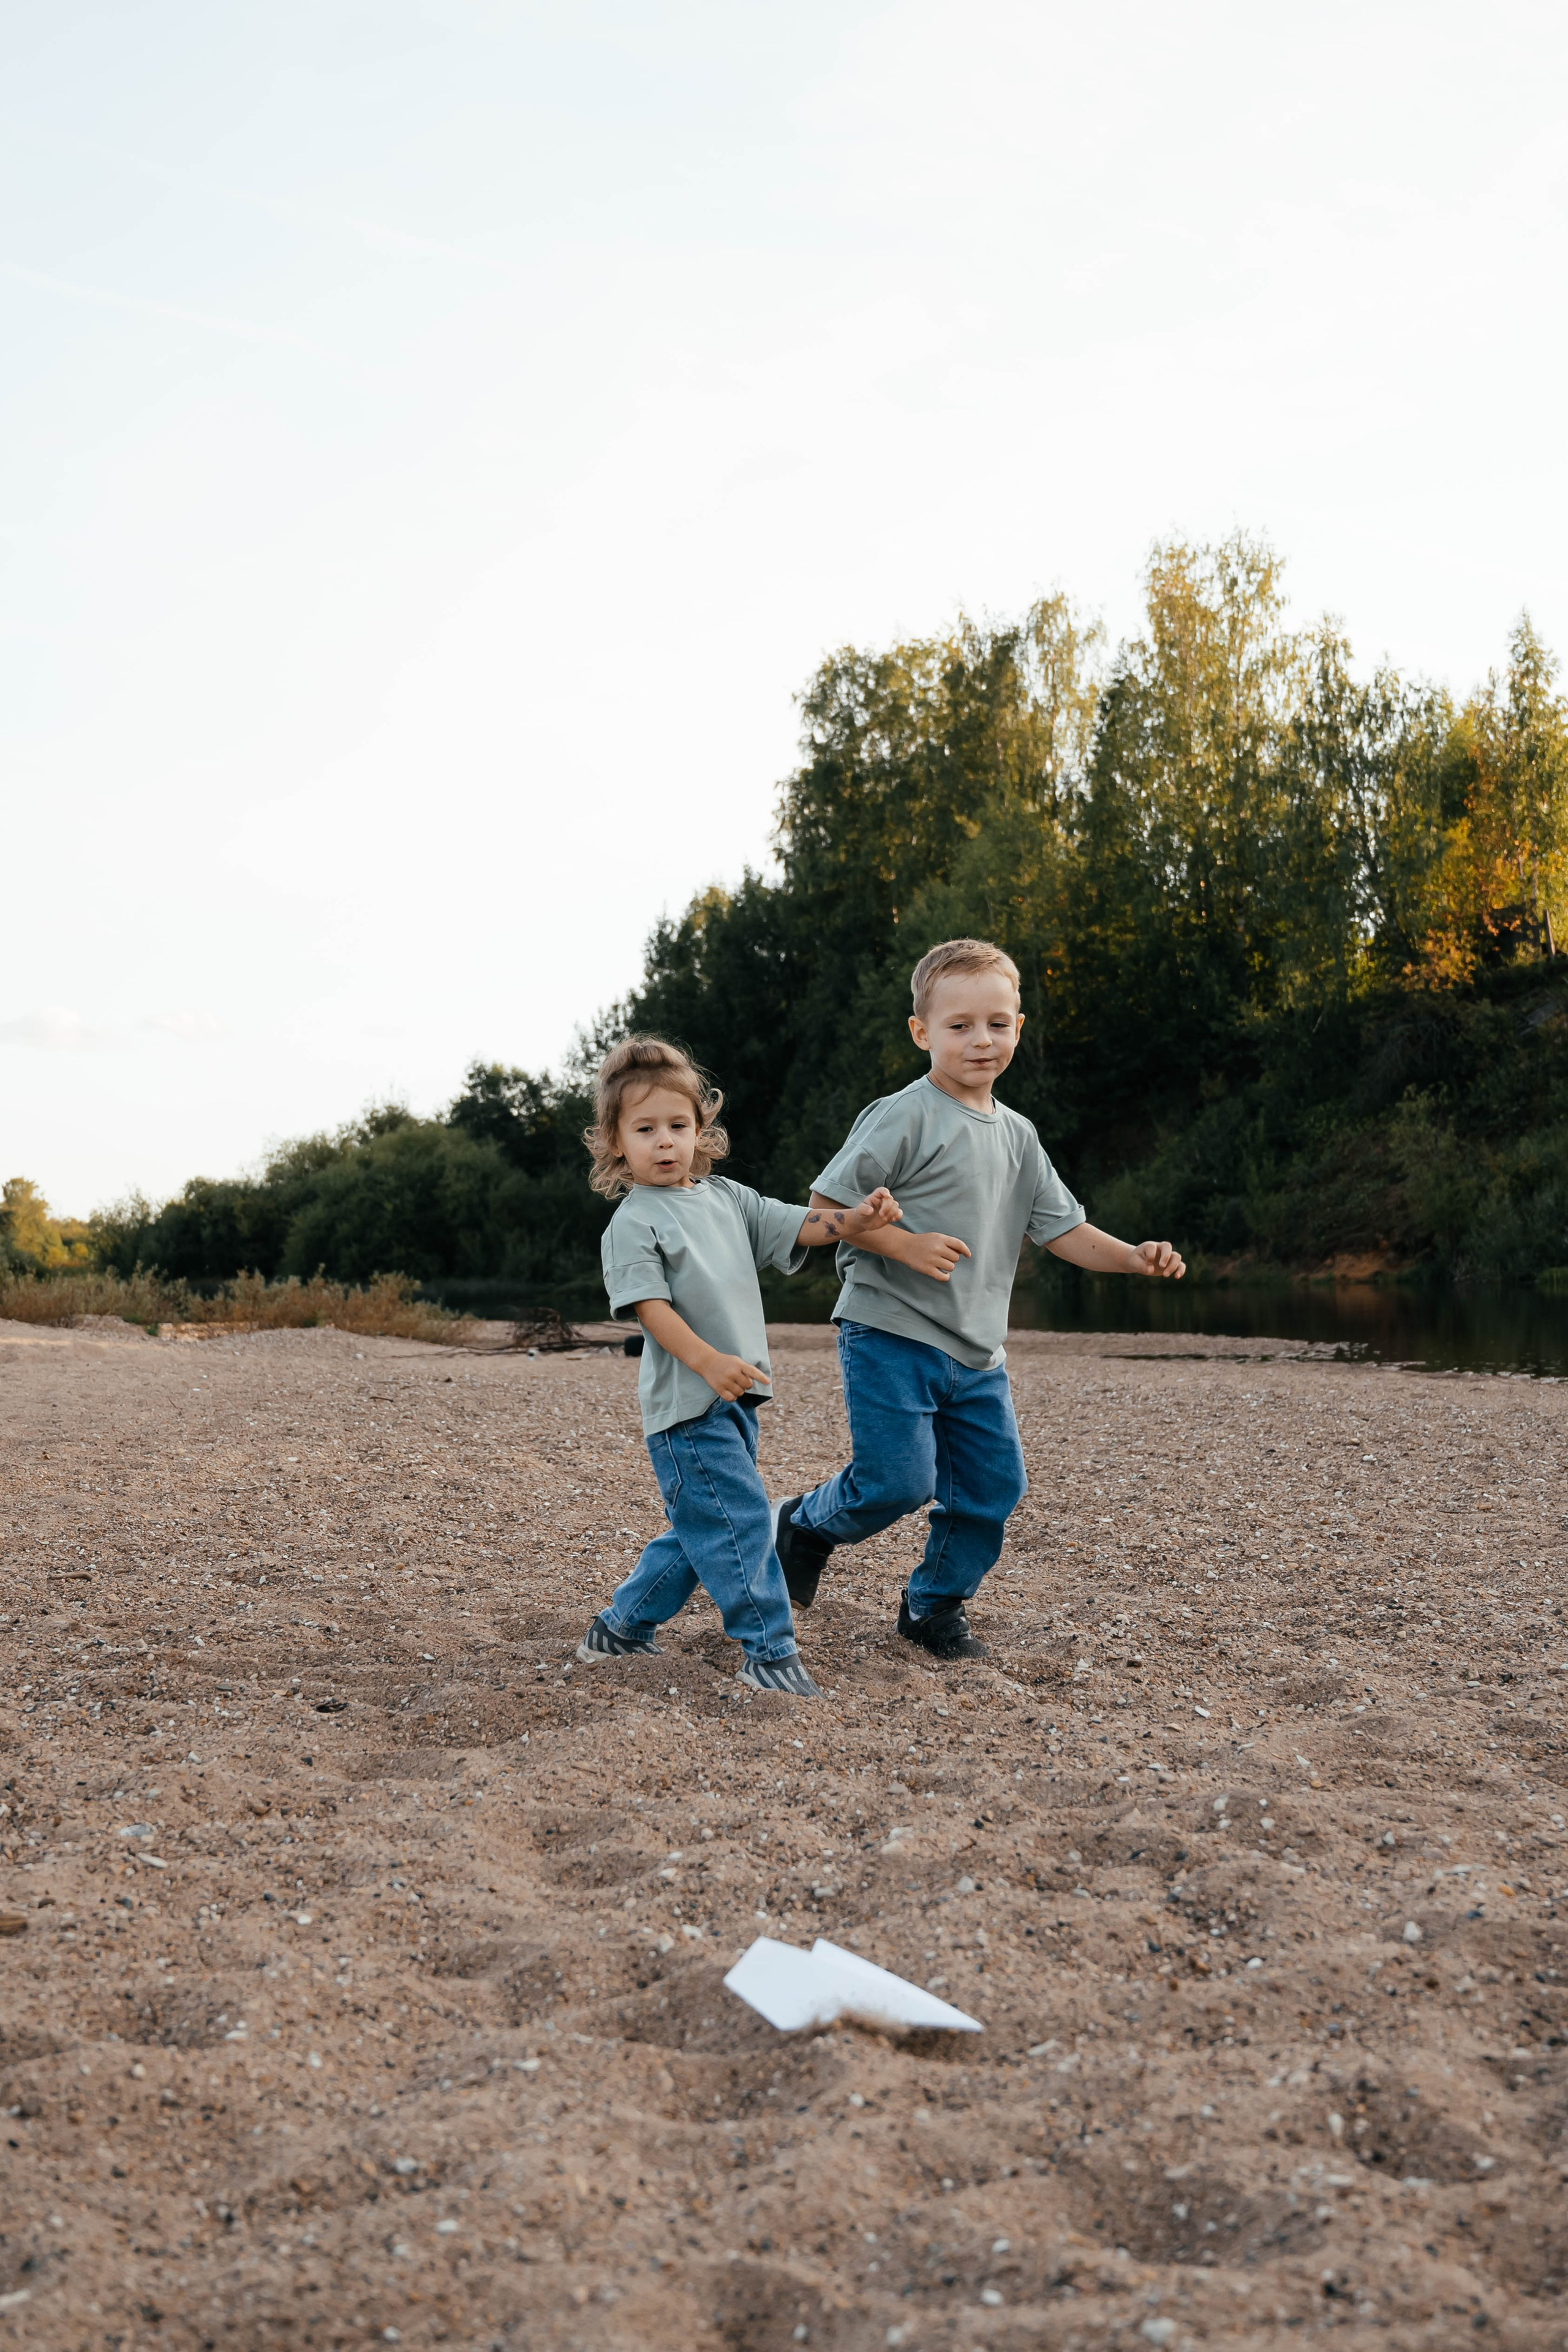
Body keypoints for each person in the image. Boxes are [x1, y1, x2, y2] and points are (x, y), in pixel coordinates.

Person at [772, 938, 1185, 1662]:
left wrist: (1132, 1258)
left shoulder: (1021, 1137)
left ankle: (932, 1607)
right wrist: (901, 1243)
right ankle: (804, 1526)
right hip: (890, 1330)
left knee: (993, 1488)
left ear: (1018, 1029)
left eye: (997, 1023)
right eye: (958, 1025)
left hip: (977, 1352)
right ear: (921, 1032)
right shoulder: (903, 1116)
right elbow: (821, 1213)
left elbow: (1065, 1231)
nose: (980, 1040)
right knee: (896, 1483)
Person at [574, 1035, 902, 1697]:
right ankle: (768, 1650)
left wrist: (856, 1219)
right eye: (645, 1130)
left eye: (678, 1126)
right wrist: (707, 1361)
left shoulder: (727, 1199)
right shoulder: (633, 1223)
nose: (665, 1142)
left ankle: (621, 1628)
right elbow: (651, 1311)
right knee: (742, 1523)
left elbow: (802, 1225)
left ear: (701, 1131)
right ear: (615, 1141)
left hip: (736, 1399)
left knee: (705, 1527)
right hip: (685, 1408)